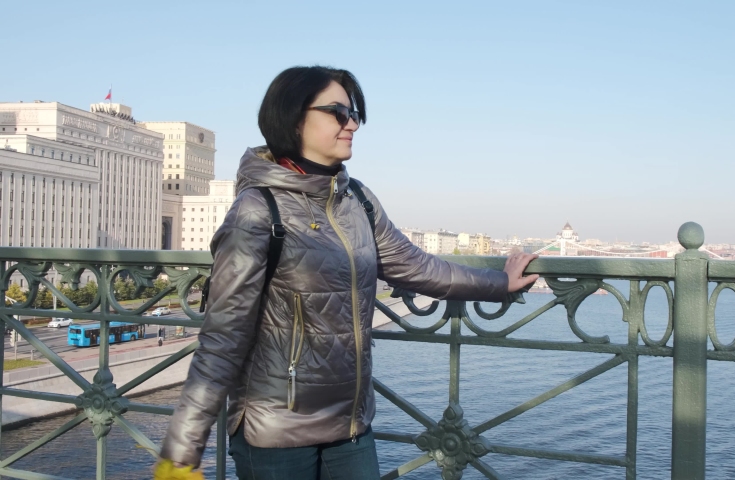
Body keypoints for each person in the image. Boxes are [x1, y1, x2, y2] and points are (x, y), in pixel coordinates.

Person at [154, 66, 538, 480]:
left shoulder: (357, 201)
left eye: (354, 114)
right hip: (276, 431)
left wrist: (501, 283)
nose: (352, 124)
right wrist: (182, 451)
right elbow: (223, 336)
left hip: (351, 426)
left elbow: (416, 266)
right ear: (294, 118)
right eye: (338, 112)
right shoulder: (258, 210)